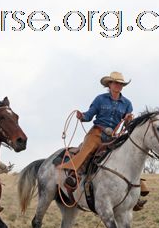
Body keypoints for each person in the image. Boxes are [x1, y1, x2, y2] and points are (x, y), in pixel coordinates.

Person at [61, 71, 149, 210]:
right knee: (87, 150)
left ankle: (135, 191)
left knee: (129, 156)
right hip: (97, 132)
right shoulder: (100, 99)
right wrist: (82, 116)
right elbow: (89, 115)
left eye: (121, 84)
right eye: (116, 83)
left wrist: (127, 121)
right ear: (109, 84)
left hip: (114, 136)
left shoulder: (127, 103)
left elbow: (127, 126)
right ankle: (74, 175)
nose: (118, 86)